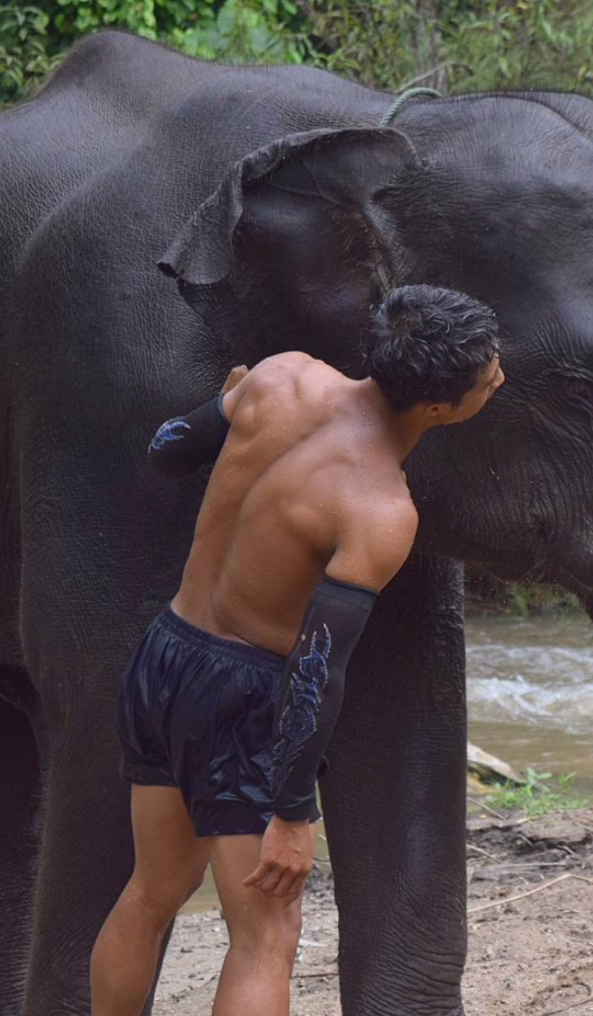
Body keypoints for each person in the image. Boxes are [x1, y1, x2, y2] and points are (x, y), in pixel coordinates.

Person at [90, 284, 505, 1016]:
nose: (498, 373)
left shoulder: (281, 375)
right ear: (440, 409)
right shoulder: (378, 507)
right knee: (266, 934)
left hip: (166, 652)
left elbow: (164, 452)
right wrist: (291, 812)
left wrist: (230, 401)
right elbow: (317, 673)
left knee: (150, 892)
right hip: (242, 695)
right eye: (487, 374)